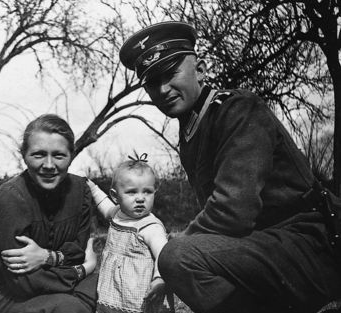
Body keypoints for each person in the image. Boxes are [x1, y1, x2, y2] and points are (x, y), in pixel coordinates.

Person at [118, 21, 341, 313]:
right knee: (178, 257)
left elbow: (232, 212)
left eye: (170, 73)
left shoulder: (237, 108)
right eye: (151, 82)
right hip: (267, 248)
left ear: (200, 70)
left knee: (176, 256)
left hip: (313, 244)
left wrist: (171, 259)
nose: (162, 89)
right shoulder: (192, 128)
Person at [0, 114, 98, 313]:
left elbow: (78, 251)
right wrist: (82, 270)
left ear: (71, 154)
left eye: (59, 155)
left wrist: (48, 257)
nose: (49, 165)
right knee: (70, 307)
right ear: (24, 155)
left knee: (105, 288)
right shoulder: (10, 197)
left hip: (53, 281)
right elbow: (22, 282)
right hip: (2, 292)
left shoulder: (81, 190)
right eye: (39, 154)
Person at [86, 154, 173, 313]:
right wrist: (92, 188)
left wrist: (159, 279)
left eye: (147, 192)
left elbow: (164, 254)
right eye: (132, 192)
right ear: (115, 196)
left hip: (140, 295)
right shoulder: (117, 214)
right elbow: (104, 205)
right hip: (115, 292)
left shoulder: (150, 227)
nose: (140, 198)